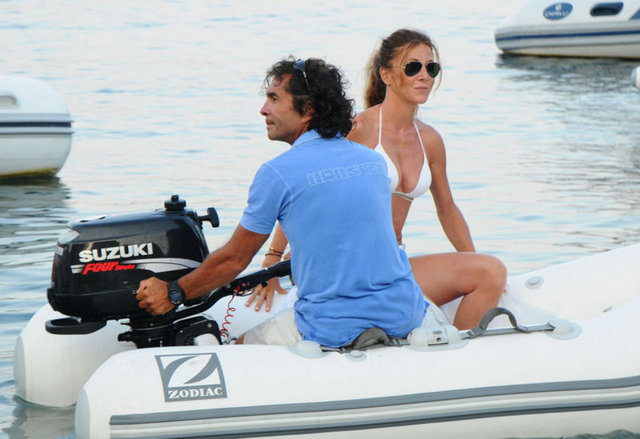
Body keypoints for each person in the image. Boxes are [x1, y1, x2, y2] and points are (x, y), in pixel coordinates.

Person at [136, 57, 429, 348]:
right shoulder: (373, 162)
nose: (264, 109)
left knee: (238, 347)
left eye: (274, 99)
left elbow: (234, 259)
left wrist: (174, 292)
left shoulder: (276, 173)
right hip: (405, 313)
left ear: (307, 110)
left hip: (331, 326)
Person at [250, 30, 507, 330]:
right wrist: (273, 260)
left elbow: (447, 209)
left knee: (489, 271)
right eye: (413, 67)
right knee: (487, 270)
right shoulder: (356, 129)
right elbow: (303, 184)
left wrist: (470, 259)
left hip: (392, 265)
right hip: (344, 270)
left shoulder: (431, 140)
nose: (424, 76)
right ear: (386, 74)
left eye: (431, 68)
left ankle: (460, 349)